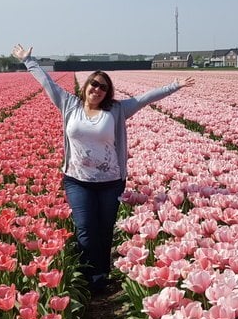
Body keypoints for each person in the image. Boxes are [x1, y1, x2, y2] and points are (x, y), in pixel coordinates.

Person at [13, 43, 195, 293]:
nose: (97, 89)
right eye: (94, 84)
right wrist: (29, 61)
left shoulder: (117, 110)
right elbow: (48, 84)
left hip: (110, 181)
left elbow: (146, 98)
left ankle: (100, 275)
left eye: (103, 86)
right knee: (86, 228)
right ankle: (88, 275)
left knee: (104, 228)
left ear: (107, 92)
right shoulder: (69, 105)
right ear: (85, 86)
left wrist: (175, 85)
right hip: (77, 180)